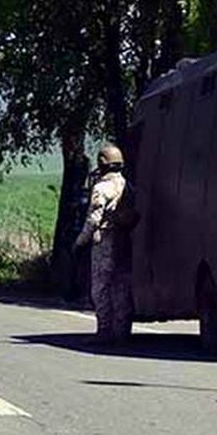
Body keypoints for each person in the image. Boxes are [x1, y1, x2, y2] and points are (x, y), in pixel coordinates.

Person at [73, 144, 134, 343]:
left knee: (101, 287)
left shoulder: (101, 188)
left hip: (105, 242)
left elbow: (93, 219)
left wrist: (80, 242)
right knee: (121, 287)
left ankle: (104, 331)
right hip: (125, 240)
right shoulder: (128, 186)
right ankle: (122, 331)